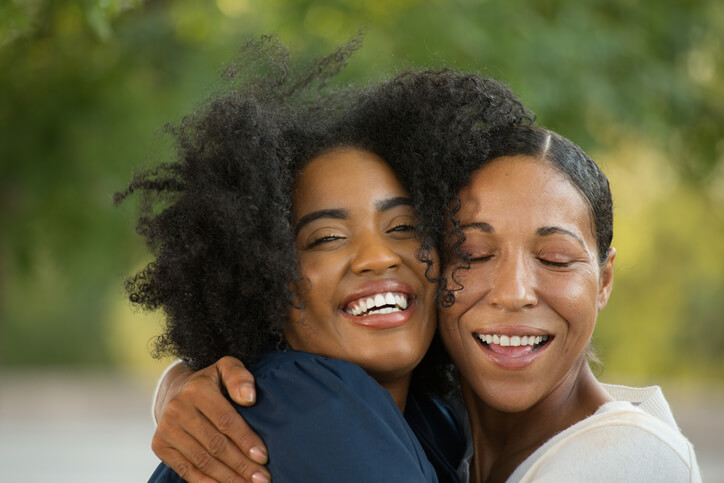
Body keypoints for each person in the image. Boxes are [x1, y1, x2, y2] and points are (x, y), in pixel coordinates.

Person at [121, 37, 533, 483]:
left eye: (403, 228)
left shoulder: (430, 413)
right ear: (263, 273)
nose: (377, 258)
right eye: (327, 237)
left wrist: (177, 379)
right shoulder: (313, 401)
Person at [435, 125, 701, 482]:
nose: (514, 293)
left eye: (555, 259)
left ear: (604, 280)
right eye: (474, 254)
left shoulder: (624, 460)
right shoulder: (437, 442)